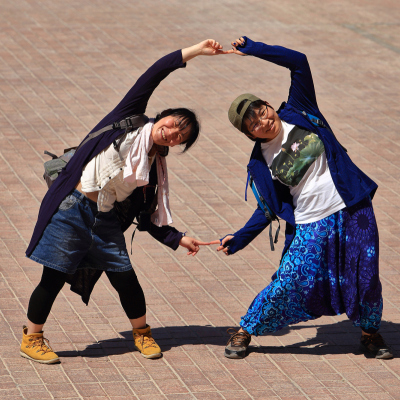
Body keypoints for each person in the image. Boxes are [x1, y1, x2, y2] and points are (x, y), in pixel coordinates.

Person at [22, 39, 228, 364]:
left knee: (125, 277)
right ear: (164, 116)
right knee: (54, 275)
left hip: (103, 219)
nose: (173, 133)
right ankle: (32, 338)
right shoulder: (129, 117)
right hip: (71, 208)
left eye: (180, 137)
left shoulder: (152, 169)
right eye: (174, 124)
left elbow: (147, 218)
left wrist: (178, 238)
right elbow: (156, 72)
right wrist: (196, 51)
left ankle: (142, 334)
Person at [211, 36, 393, 360]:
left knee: (365, 275)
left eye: (262, 111)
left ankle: (370, 333)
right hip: (312, 221)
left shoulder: (300, 110)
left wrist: (253, 48)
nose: (264, 121)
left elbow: (298, 61)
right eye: (253, 123)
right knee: (292, 278)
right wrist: (238, 239)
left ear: (269, 105)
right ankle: (246, 328)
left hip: (353, 207)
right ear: (249, 133)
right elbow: (266, 209)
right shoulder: (260, 163)